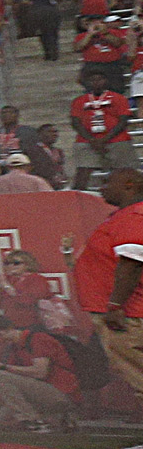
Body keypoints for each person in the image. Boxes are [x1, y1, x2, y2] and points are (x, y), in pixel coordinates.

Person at [72, 167, 143, 400]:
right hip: (127, 309)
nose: (102, 187)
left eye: (108, 181)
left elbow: (131, 263)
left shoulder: (134, 215)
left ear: (129, 185)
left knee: (138, 374)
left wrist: (114, 305)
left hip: (128, 312)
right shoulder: (127, 215)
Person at [0, 314, 79, 431]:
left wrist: (2, 367)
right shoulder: (14, 348)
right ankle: (56, 419)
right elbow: (14, 378)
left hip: (61, 393)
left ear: (10, 328)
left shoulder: (38, 339)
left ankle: (33, 420)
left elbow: (41, 372)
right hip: (39, 394)